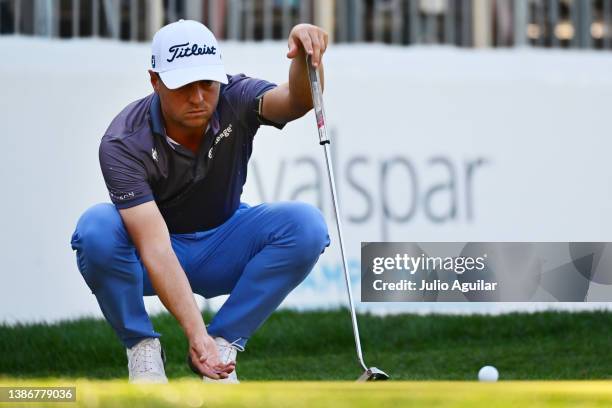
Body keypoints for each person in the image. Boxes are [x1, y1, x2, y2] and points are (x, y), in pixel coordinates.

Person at [70, 19, 330, 384]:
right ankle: (142, 348)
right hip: (151, 255)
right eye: (182, 85)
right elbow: (156, 248)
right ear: (155, 80)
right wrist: (195, 334)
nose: (197, 97)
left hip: (223, 242)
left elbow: (296, 101)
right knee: (96, 230)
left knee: (306, 227)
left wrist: (304, 60)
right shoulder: (122, 141)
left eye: (207, 83)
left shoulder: (236, 96)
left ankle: (224, 342)